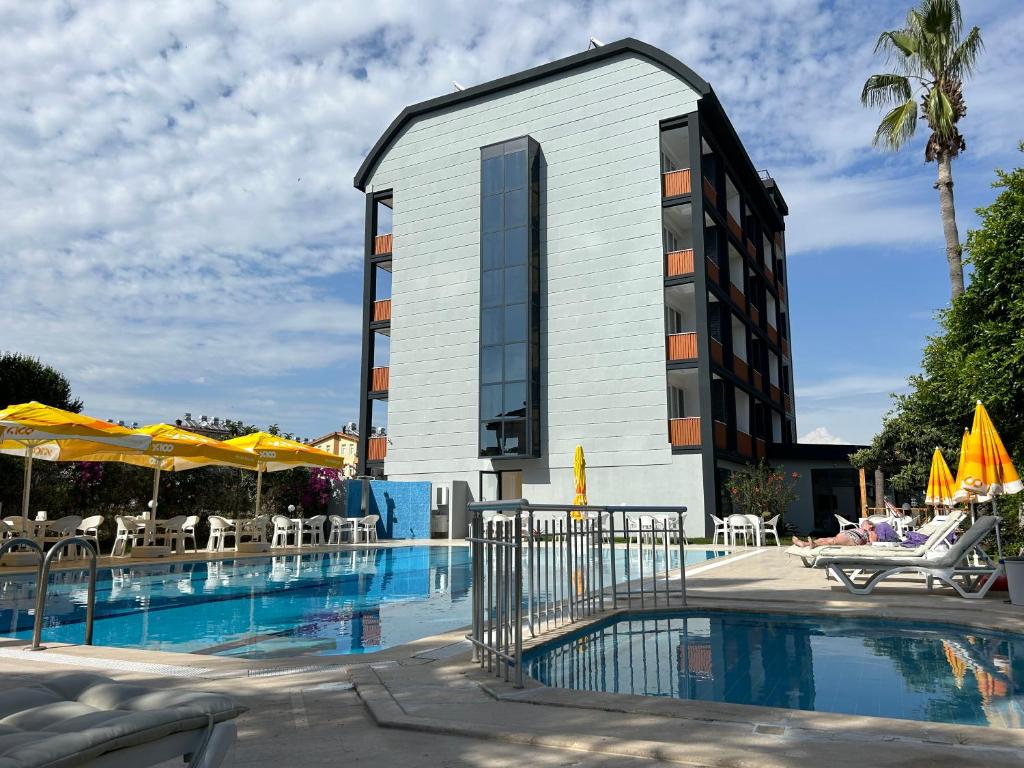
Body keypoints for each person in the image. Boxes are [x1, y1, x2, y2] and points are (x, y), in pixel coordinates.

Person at [792, 520, 877, 548]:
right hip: (847, 534)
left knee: (832, 541)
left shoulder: (871, 532)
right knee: (827, 539)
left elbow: (873, 543)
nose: (862, 525)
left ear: (870, 525)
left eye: (865, 524)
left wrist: (866, 540)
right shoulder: (861, 529)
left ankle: (811, 544)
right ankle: (805, 543)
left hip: (853, 538)